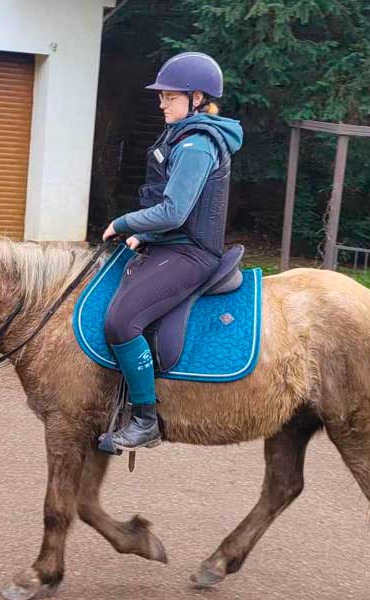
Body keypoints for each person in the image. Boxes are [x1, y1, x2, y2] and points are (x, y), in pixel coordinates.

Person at [101, 51, 243, 451]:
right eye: (160, 97)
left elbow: (174, 211)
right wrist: (147, 236)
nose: (161, 103)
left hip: (192, 255)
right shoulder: (184, 135)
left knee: (121, 321)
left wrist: (125, 223)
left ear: (196, 98)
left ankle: (146, 419)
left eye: (169, 97)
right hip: (173, 245)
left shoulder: (197, 145)